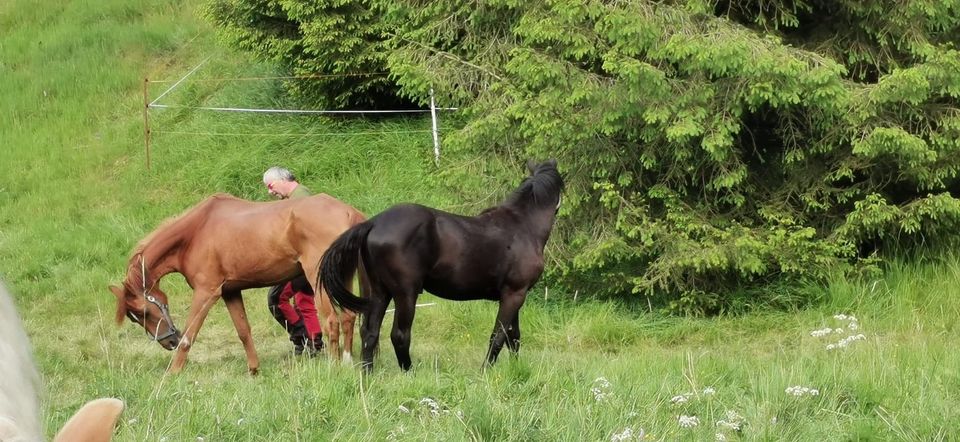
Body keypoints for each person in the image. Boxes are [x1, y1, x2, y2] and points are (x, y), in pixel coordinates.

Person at [262, 166, 323, 356]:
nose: (270, 192)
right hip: (306, 259)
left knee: (277, 299)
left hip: (301, 260)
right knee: (304, 300)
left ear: (283, 180)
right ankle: (315, 342)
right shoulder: (297, 197)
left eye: (271, 186)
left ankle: (302, 339)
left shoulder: (300, 199)